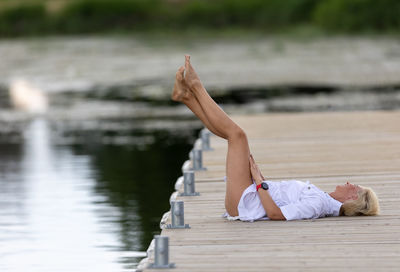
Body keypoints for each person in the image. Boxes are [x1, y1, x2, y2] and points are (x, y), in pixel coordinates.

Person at [172, 55, 380, 221]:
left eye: (355, 187)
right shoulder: (322, 199)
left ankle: (196, 87)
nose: (348, 182)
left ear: (353, 198)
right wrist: (259, 179)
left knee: (238, 136)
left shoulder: (318, 203)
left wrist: (261, 183)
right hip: (248, 197)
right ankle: (187, 97)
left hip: (246, 203)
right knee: (234, 137)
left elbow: (276, 215)